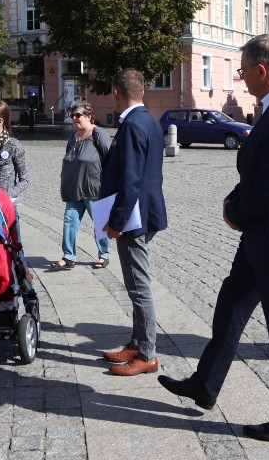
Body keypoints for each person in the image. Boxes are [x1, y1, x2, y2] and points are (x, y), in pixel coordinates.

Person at [158, 34, 269, 443]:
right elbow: (261, 175)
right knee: (229, 308)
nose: (241, 77)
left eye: (243, 70)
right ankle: (205, 384)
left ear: (262, 71)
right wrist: (238, 201)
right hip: (262, 237)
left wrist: (234, 209)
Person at [100, 68, 167, 376]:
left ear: (117, 92)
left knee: (139, 286)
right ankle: (138, 341)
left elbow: (131, 180)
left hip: (134, 217)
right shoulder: (150, 121)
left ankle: (148, 353)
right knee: (134, 284)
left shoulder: (131, 126)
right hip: (145, 212)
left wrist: (116, 221)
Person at [51, 101, 111, 269]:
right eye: (72, 116)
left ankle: (104, 255)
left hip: (94, 189)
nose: (74, 118)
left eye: (78, 115)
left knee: (100, 223)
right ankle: (68, 256)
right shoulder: (73, 137)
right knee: (69, 221)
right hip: (74, 188)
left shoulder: (98, 134)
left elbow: (111, 159)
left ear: (89, 116)